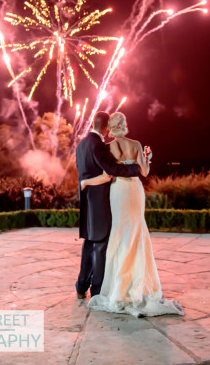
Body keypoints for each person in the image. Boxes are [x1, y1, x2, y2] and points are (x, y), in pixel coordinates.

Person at [82, 111, 184, 318]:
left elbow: (107, 174)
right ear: (125, 125)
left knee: (119, 230)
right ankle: (139, 282)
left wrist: (85, 183)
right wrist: (148, 158)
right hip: (135, 190)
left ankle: (119, 285)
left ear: (111, 127)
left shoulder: (108, 148)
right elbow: (144, 172)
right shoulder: (136, 144)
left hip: (118, 190)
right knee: (137, 229)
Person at [75, 111, 140, 298]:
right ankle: (96, 291)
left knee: (89, 244)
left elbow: (83, 174)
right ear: (105, 128)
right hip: (99, 203)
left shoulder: (81, 144)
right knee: (100, 246)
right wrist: (135, 168)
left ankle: (81, 287)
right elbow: (113, 169)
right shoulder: (99, 145)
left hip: (86, 202)